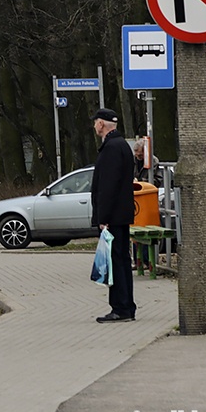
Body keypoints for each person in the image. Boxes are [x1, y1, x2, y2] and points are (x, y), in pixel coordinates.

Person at [90, 108, 136, 323]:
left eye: (96, 123)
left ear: (101, 124)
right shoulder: (122, 146)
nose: (95, 127)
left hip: (114, 216)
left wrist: (103, 217)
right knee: (122, 260)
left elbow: (107, 187)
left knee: (116, 261)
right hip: (122, 214)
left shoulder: (110, 148)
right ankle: (127, 305)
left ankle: (120, 307)